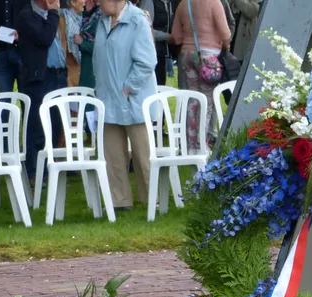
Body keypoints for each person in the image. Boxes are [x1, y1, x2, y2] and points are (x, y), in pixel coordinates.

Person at [93, 0, 157, 211]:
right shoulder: (102, 21)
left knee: (143, 155)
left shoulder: (137, 20)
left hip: (134, 101)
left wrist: (128, 88)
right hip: (107, 99)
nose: (97, 2)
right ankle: (119, 201)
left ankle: (150, 199)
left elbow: (147, 62)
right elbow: (98, 59)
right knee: (112, 155)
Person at [171, 0, 231, 150]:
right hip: (208, 57)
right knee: (207, 100)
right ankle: (202, 143)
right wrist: (225, 46)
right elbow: (226, 34)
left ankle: (190, 144)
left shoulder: (184, 4)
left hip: (187, 55)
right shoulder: (214, 3)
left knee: (192, 99)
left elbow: (176, 37)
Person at [16, 0, 66, 181]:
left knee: (55, 124)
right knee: (37, 126)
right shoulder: (27, 16)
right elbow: (45, 38)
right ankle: (34, 172)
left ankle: (49, 168)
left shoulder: (54, 15)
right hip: (39, 78)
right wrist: (53, 13)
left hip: (58, 75)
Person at [75, 0, 100, 88]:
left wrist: (83, 43)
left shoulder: (104, 16)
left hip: (92, 67)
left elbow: (102, 46)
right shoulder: (94, 13)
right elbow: (84, 26)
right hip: (82, 64)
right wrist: (88, 12)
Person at [65, 0, 84, 86]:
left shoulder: (82, 17)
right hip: (72, 68)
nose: (85, 1)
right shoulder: (66, 18)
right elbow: (73, 49)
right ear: (73, 2)